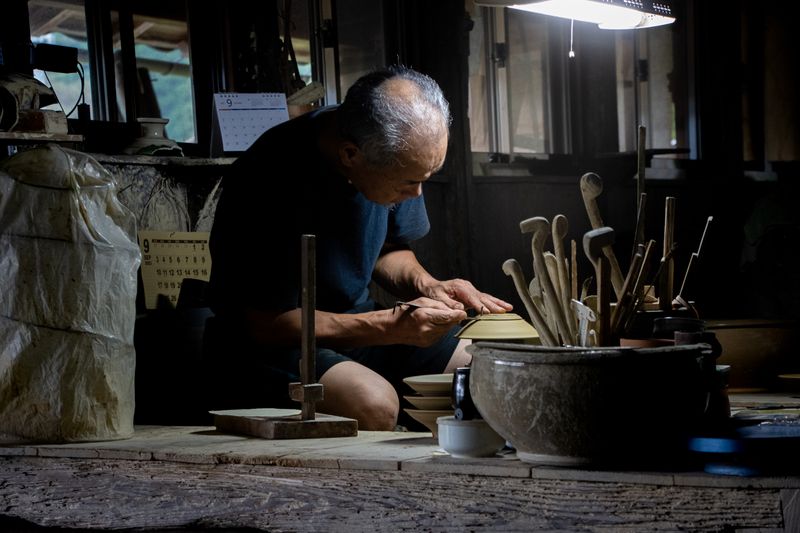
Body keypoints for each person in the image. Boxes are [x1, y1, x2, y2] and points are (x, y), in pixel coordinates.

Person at [204, 65, 512, 430]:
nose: (416, 194)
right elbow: (266, 324)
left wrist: (429, 286)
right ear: (351, 155)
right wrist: (387, 326)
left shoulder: (394, 156)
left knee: (486, 373)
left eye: (425, 179)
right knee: (374, 403)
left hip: (364, 330)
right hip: (272, 346)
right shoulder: (269, 179)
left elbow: (388, 249)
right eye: (408, 184)